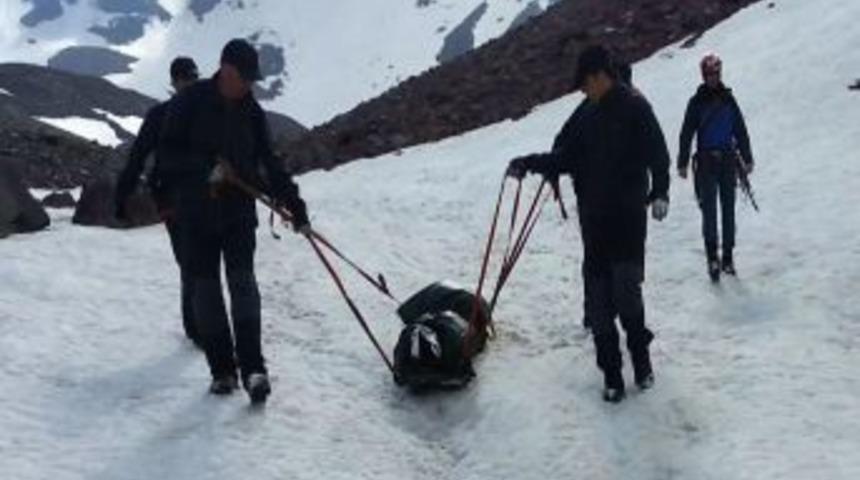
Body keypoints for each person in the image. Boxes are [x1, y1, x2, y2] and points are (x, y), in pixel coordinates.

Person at [507, 45, 670, 403]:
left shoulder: (636, 107)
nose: (583, 90)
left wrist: (661, 192)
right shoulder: (587, 116)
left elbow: (658, 153)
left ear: (599, 76)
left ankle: (642, 364)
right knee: (598, 304)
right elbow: (567, 157)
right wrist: (529, 163)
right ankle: (612, 376)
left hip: (627, 220)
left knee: (626, 295)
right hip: (595, 222)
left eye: (584, 84)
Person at [158, 39, 311, 404]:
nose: (250, 85)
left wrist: (294, 205)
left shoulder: (252, 112)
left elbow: (270, 162)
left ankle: (254, 370)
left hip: (239, 213)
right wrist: (204, 169)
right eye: (245, 78)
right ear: (226, 71)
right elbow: (166, 157)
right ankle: (222, 372)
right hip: (196, 215)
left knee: (243, 285)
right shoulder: (189, 102)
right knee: (207, 291)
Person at [114, 56, 201, 347]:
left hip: (189, 197)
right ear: (175, 82)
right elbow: (138, 157)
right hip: (175, 199)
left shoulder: (164, 115)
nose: (189, 83)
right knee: (191, 261)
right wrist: (122, 196)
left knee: (193, 261)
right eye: (186, 78)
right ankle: (197, 327)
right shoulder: (171, 115)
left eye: (192, 78)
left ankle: (198, 326)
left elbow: (138, 157)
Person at [677, 53, 754, 282]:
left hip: (728, 160)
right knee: (709, 211)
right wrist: (682, 161)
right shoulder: (696, 102)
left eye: (716, 73)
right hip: (707, 162)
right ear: (704, 75)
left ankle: (727, 257)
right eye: (709, 74)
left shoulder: (729, 99)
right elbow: (686, 132)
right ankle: (712, 257)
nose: (713, 77)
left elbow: (739, 129)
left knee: (728, 210)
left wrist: (747, 157)